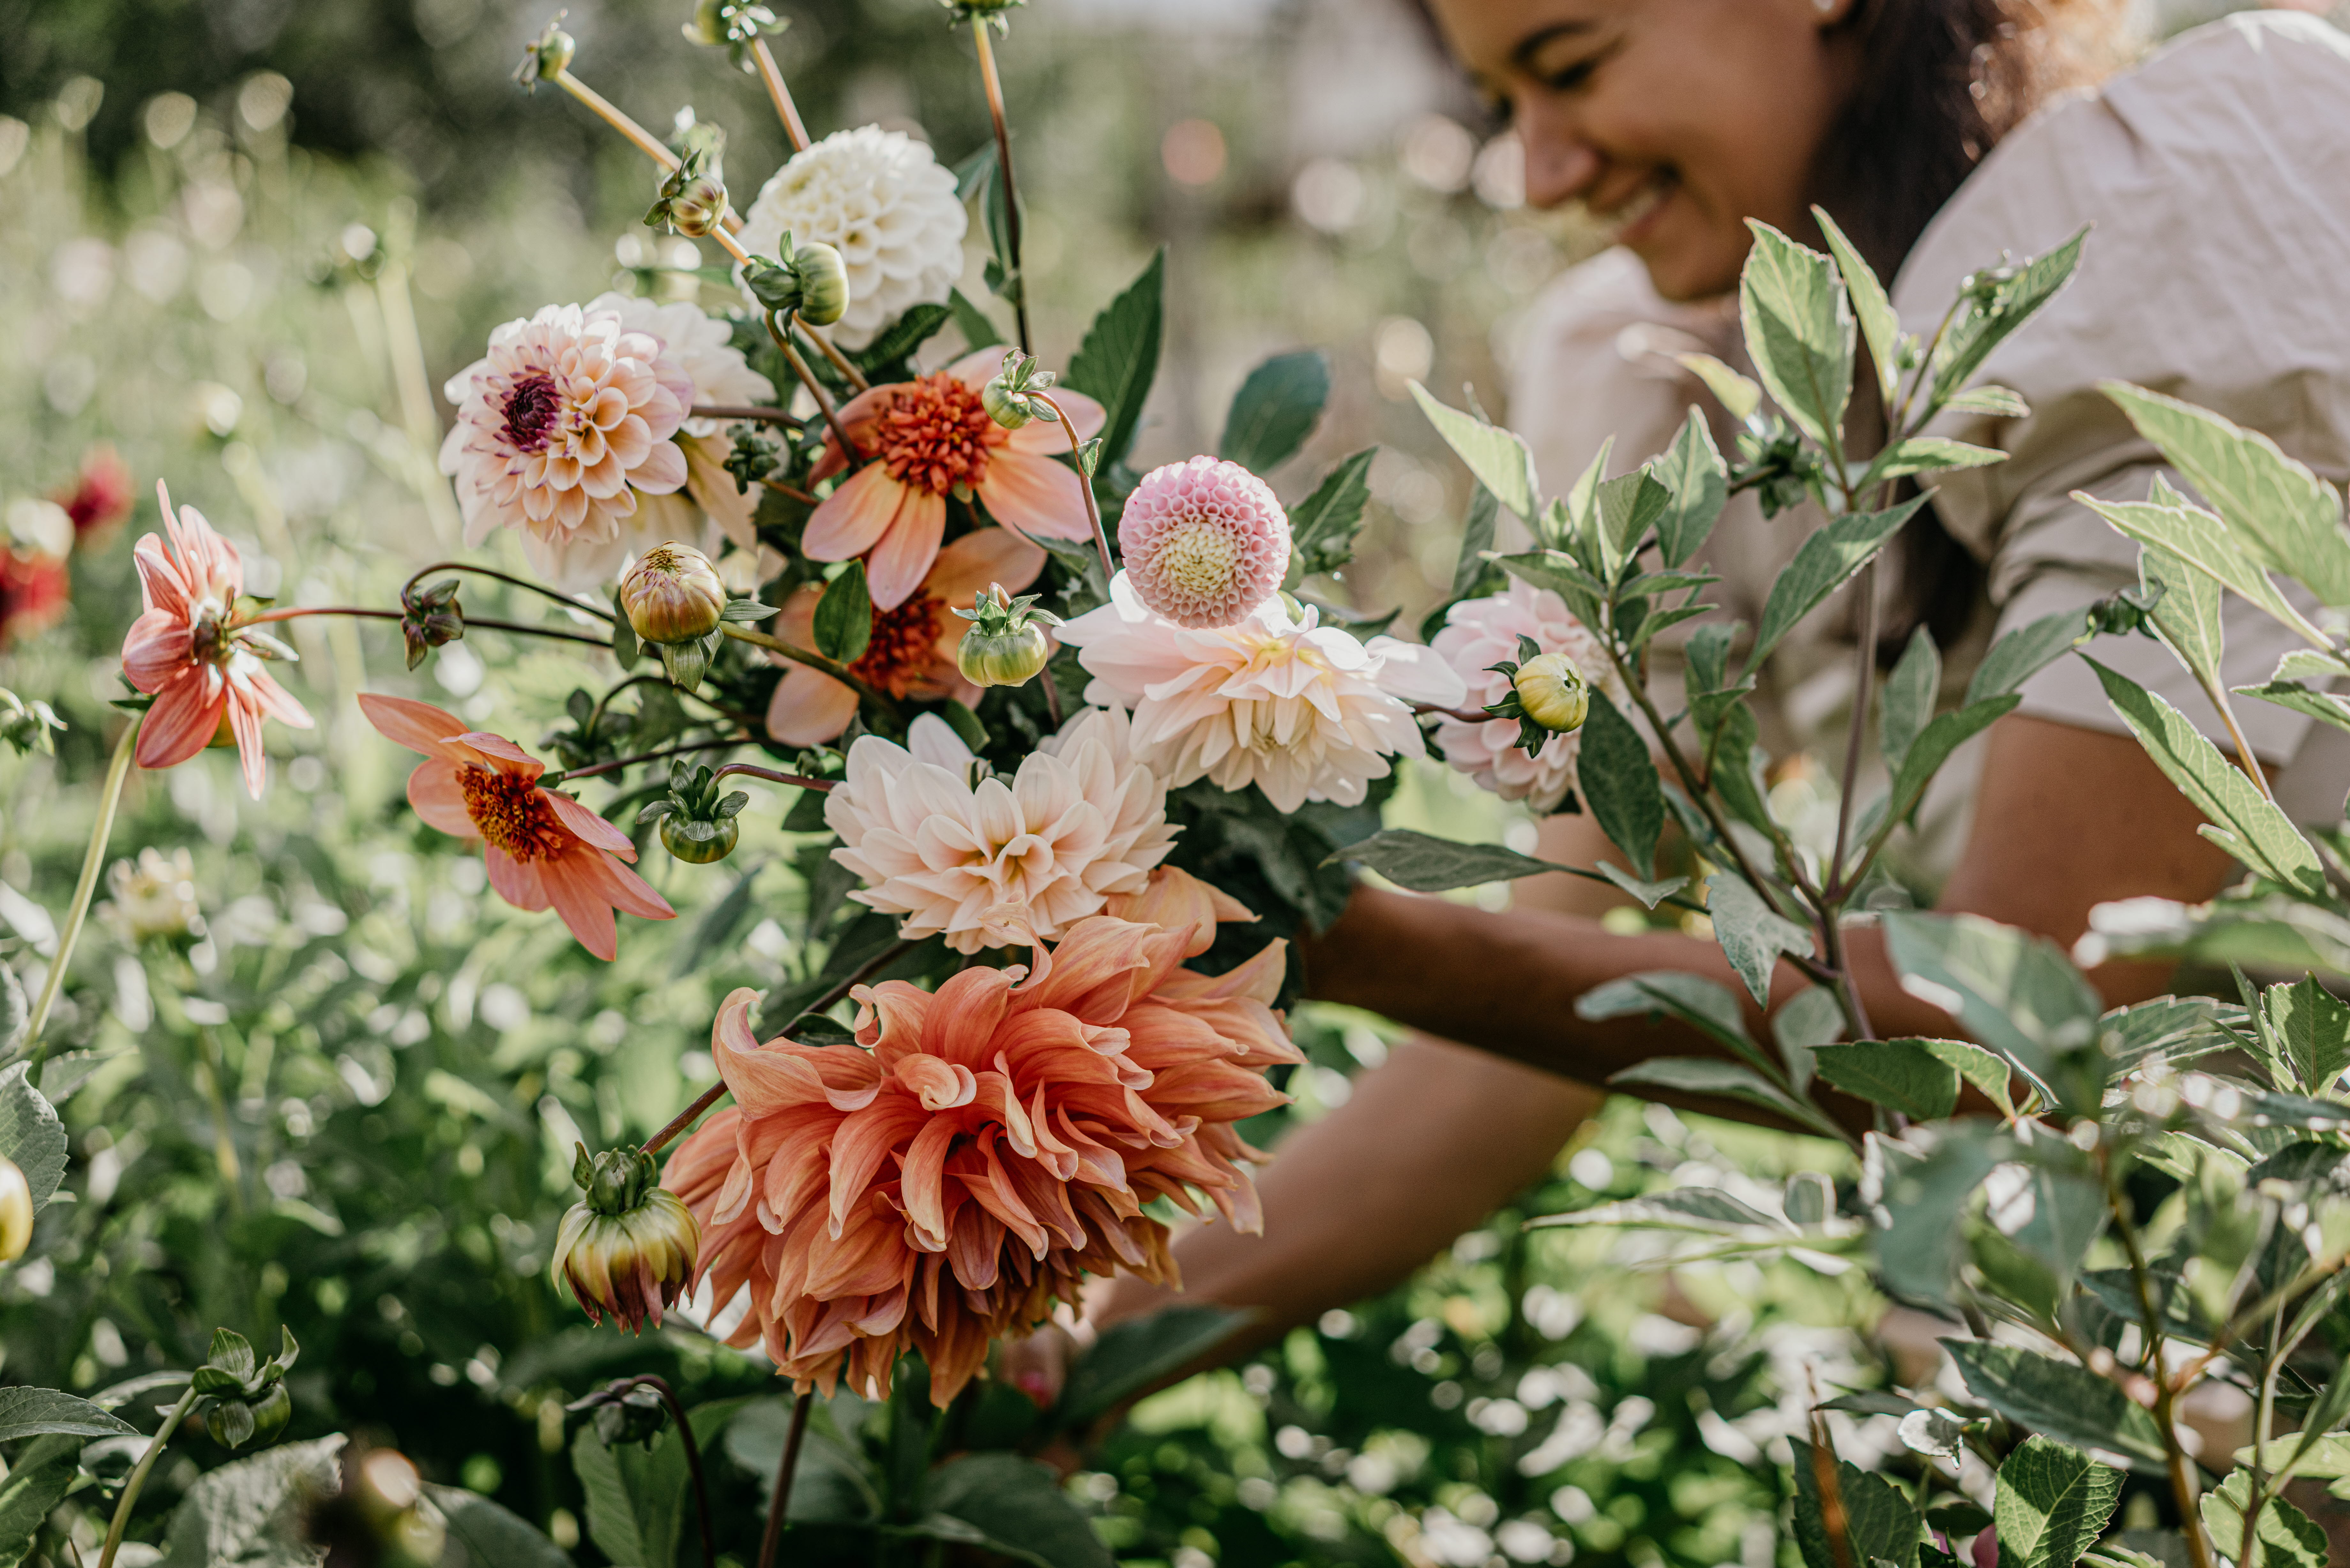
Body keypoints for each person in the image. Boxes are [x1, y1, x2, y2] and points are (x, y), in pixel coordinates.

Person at [1011, 0, 2350, 1383]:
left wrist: (1332, 932)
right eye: (1499, 102)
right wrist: (1088, 1356)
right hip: (2160, 1389)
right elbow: (1524, 1037)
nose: (1536, 173)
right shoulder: (1684, 390)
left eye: (1573, 66)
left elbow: (2026, 1027)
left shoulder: (2164, 235)